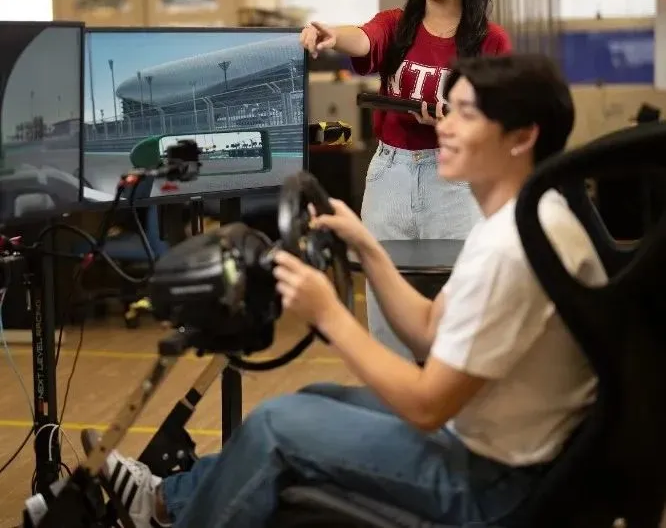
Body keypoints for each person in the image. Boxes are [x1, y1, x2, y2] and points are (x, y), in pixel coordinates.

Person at [35, 53, 609, 528]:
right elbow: (431, 331)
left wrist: (331, 313)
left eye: (465, 114)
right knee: (315, 399)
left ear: (522, 137)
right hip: (495, 449)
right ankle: (165, 503)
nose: (444, 125)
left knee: (277, 427)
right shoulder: (523, 217)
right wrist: (367, 248)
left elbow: (427, 404)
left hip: (494, 487)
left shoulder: (512, 247)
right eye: (448, 108)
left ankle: (170, 513)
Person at [300, 0, 512, 358]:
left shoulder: (491, 41)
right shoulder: (397, 24)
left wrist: (457, 123)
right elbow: (364, 38)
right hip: (389, 177)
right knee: (386, 303)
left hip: (456, 183)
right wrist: (331, 34)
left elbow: (499, 123)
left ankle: (448, 395)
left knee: (459, 310)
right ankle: (395, 395)